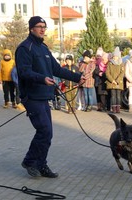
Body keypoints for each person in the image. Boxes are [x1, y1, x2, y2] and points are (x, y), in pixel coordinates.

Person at [15, 16, 87, 178]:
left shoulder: (44, 48)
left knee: (47, 133)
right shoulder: (25, 48)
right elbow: (24, 72)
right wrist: (42, 78)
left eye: (44, 27)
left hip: (44, 96)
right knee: (44, 131)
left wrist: (77, 77)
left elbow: (57, 69)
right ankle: (30, 161)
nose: (42, 29)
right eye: (39, 26)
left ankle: (40, 164)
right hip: (32, 96)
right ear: (31, 28)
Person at [106, 47, 125, 113]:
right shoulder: (109, 63)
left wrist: (117, 80)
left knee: (118, 96)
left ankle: (118, 108)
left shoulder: (121, 64)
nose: (115, 57)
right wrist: (112, 80)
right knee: (113, 96)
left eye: (116, 56)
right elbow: (107, 73)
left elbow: (122, 73)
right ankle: (113, 108)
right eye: (114, 56)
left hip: (119, 82)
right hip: (112, 83)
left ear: (118, 57)